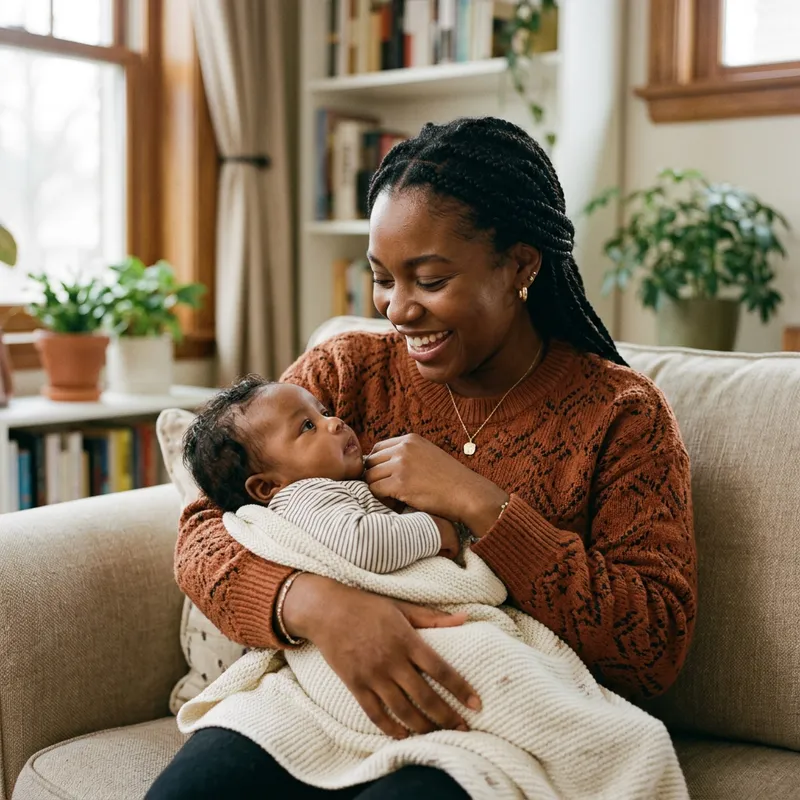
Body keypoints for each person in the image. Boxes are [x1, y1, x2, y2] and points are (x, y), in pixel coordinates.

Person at [148, 116, 697, 799]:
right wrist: (318, 607)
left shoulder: (621, 415)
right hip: (316, 698)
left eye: (430, 280)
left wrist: (481, 505)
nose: (397, 309)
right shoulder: (345, 371)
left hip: (488, 720)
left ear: (521, 265)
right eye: (382, 278)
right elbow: (206, 529)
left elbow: (652, 645)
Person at [181, 376, 462, 570]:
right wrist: (435, 530)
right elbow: (362, 544)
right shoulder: (302, 497)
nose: (335, 422)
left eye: (324, 412)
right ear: (268, 487)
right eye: (308, 426)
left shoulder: (342, 478)